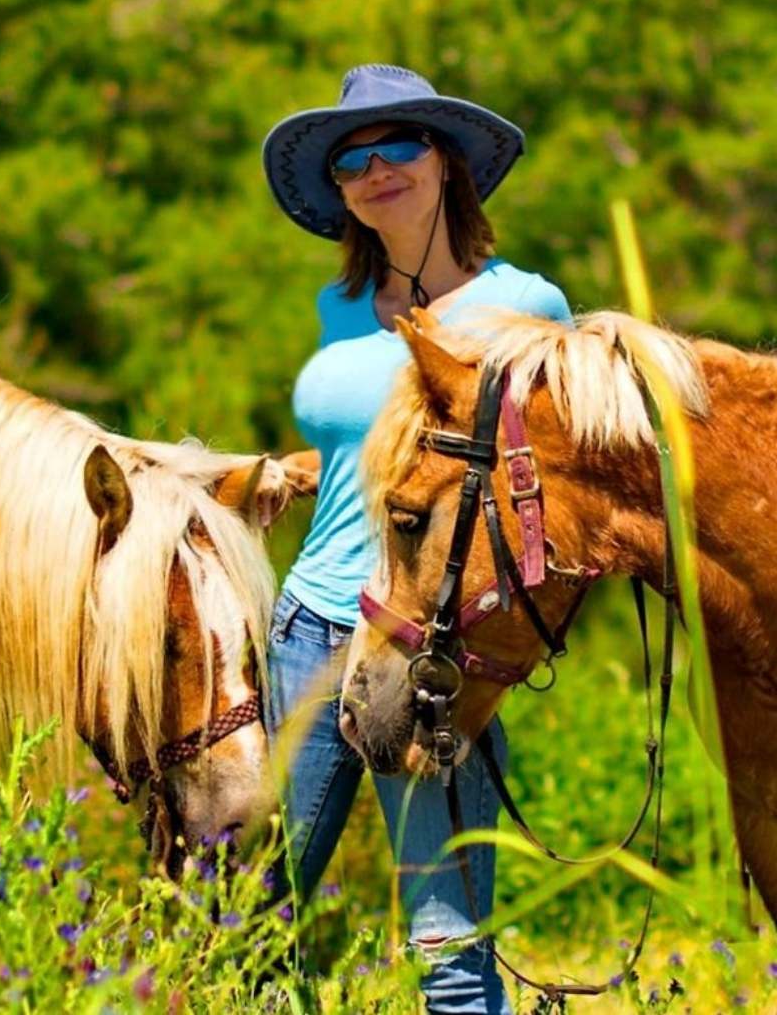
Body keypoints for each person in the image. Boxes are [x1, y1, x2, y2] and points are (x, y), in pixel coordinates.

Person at [262, 64, 572, 1013]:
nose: (373, 169)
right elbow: (374, 450)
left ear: (446, 162)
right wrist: (284, 471)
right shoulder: (337, 310)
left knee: (446, 945)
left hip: (438, 646)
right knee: (256, 921)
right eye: (352, 159)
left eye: (398, 145)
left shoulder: (531, 308)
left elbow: (556, 475)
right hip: (313, 632)